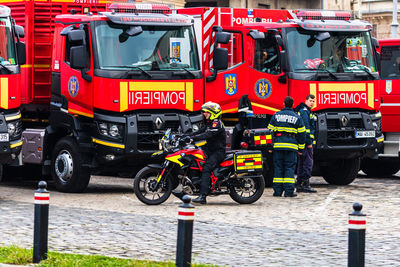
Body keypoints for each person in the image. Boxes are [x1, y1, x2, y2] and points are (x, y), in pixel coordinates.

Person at [172, 101, 226, 204]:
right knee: (192, 161)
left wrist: (192, 139)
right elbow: (200, 131)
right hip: (208, 150)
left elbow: (207, 135)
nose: (203, 114)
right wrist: (186, 136)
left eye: (206, 112)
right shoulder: (210, 123)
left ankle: (203, 196)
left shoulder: (217, 123)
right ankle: (185, 192)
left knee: (206, 168)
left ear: (213, 113)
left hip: (217, 152)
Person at [267, 96, 306, 197]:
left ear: (283, 104)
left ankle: (277, 191)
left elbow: (269, 132)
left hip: (278, 146)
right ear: (293, 105)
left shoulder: (276, 115)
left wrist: (270, 147)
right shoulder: (297, 117)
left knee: (278, 168)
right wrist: (301, 148)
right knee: (289, 168)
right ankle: (289, 192)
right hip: (291, 147)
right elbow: (302, 134)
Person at [295, 95, 317, 193]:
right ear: (306, 101)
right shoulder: (304, 112)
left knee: (302, 162)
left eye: (313, 101)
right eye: (310, 101)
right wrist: (309, 142)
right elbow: (306, 128)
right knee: (308, 162)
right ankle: (305, 184)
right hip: (306, 142)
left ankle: (300, 184)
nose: (312, 103)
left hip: (303, 142)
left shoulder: (306, 111)